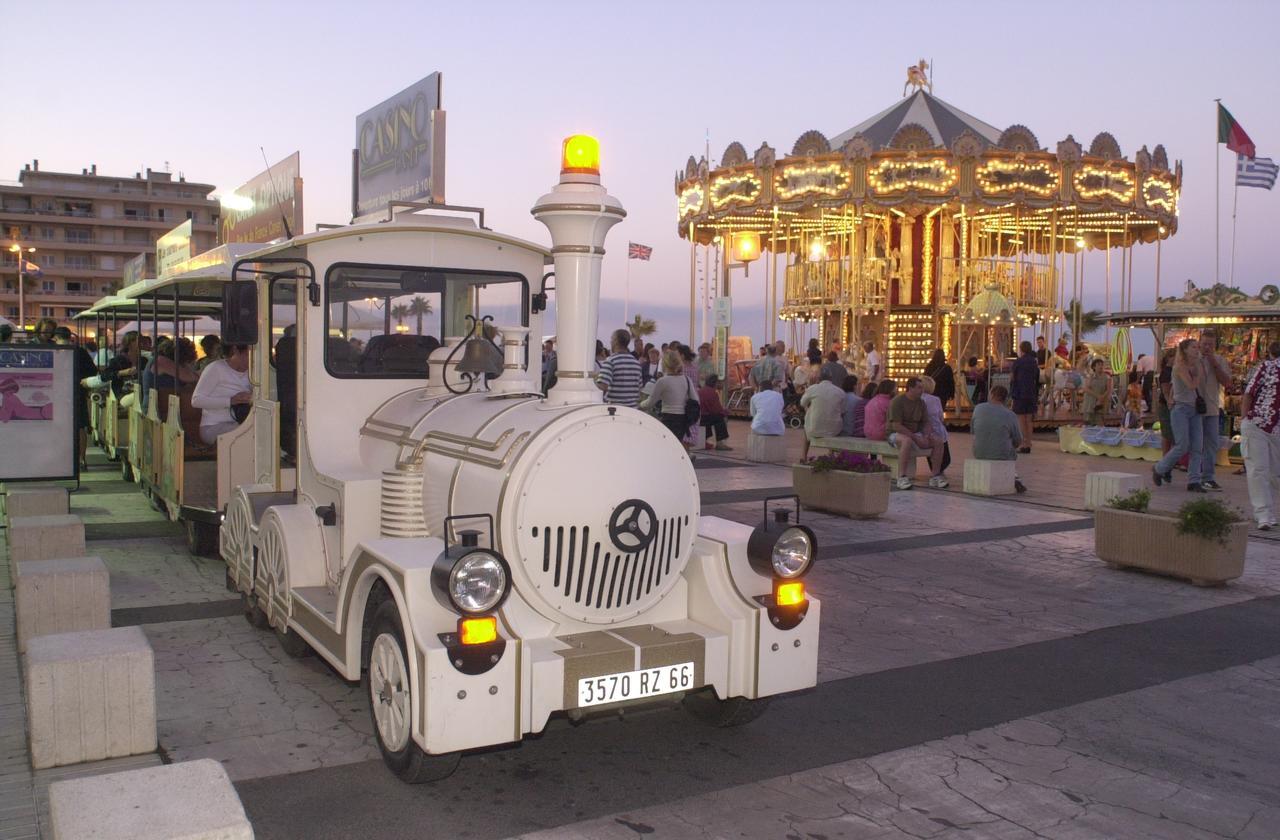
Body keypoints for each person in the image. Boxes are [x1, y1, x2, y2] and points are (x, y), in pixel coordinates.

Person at [1152, 338, 1205, 491]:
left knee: (1197, 446)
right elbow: (1191, 385)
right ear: (1185, 350)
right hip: (1181, 409)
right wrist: (1198, 374)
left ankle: (1194, 480)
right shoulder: (1180, 367)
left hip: (1194, 408)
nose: (1196, 350)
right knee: (1182, 445)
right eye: (1193, 347)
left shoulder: (1196, 365)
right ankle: (1160, 468)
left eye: (1197, 347)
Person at [1241, 341, 1280, 528]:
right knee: (1259, 470)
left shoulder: (1267, 366)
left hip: (1267, 425)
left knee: (1268, 473)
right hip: (1259, 423)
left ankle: (1266, 514)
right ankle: (1264, 515)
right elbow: (1249, 393)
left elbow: (1248, 393)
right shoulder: (1268, 367)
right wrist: (1244, 420)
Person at [50, 326, 98, 470]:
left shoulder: (53, 351)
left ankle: (61, 458)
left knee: (58, 425)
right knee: (80, 426)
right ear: (70, 337)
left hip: (57, 393)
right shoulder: (80, 351)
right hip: (77, 393)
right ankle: (82, 459)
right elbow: (93, 371)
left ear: (56, 338)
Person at [887, 377, 947, 490]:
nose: (922, 390)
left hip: (915, 432)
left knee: (938, 441)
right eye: (919, 388)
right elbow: (896, 426)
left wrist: (927, 435)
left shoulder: (921, 403)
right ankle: (902, 477)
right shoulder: (898, 401)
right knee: (907, 441)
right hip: (896, 433)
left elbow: (926, 422)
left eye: (922, 388)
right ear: (910, 388)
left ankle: (935, 475)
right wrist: (915, 437)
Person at [192, 343, 252, 445]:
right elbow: (196, 401)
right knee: (250, 434)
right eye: (247, 355)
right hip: (213, 426)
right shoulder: (216, 368)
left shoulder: (254, 373)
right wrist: (231, 401)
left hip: (242, 423)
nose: (251, 360)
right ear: (236, 350)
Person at [972, 384, 1027, 493]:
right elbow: (1018, 440)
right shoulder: (1010, 415)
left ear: (991, 394)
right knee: (1009, 446)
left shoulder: (978, 408)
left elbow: (973, 430)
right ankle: (1013, 476)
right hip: (1001, 454)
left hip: (979, 452)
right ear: (1005, 398)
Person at [1197, 329, 1233, 492]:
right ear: (1199, 344)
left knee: (1211, 443)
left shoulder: (1220, 360)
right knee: (1194, 443)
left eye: (1210, 345)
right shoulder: (1193, 359)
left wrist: (1214, 363)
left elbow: (1227, 382)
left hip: (1212, 408)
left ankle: (1208, 477)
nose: (1207, 347)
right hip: (1194, 408)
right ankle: (1193, 476)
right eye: (1204, 344)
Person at [641, 349, 696, 445]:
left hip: (667, 418)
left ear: (665, 364)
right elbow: (696, 399)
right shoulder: (687, 380)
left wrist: (640, 404)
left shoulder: (662, 381)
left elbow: (650, 402)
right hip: (682, 419)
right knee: (677, 444)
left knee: (666, 445)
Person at [141, 336, 198, 412]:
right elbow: (191, 377)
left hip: (163, 406)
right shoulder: (160, 361)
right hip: (156, 410)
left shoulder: (159, 360)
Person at [799, 366, 845, 460]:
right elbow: (843, 411)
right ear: (831, 379)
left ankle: (803, 456)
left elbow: (802, 403)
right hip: (834, 431)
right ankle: (831, 454)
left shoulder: (813, 388)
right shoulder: (840, 392)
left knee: (808, 419)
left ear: (818, 379)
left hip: (814, 429)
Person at [596, 328, 643, 408]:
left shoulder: (611, 361)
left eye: (611, 339)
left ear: (616, 341)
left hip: (615, 411)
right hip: (633, 410)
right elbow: (640, 387)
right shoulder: (636, 363)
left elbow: (602, 387)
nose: (610, 342)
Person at [1009, 340, 1039, 452]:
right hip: (1031, 392)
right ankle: (1029, 443)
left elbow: (1012, 377)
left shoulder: (1018, 362)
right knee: (1029, 419)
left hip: (1020, 392)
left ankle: (1023, 443)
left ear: (1021, 349)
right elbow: (1036, 376)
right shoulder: (1034, 362)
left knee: (1021, 418)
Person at [920, 375, 951, 478]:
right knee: (944, 454)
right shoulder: (935, 399)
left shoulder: (917, 399)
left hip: (922, 431)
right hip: (936, 430)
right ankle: (938, 470)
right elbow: (940, 417)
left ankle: (934, 467)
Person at [698, 374, 731, 451]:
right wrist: (725, 412)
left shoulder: (701, 390)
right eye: (718, 382)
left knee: (715, 416)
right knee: (719, 418)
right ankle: (720, 443)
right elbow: (716, 410)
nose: (720, 384)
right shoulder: (712, 393)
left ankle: (705, 441)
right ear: (715, 383)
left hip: (700, 416)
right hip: (705, 417)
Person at [1156, 348, 1177, 457]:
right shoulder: (1166, 371)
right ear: (1169, 358)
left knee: (1172, 432)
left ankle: (1171, 457)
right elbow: (1165, 389)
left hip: (1171, 404)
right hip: (1166, 405)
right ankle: (1166, 456)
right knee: (1167, 432)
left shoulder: (1175, 370)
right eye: (1174, 356)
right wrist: (1169, 401)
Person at [1081, 358, 1111, 427]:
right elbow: (1086, 388)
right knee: (1088, 423)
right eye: (1099, 365)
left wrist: (1101, 397)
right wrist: (1097, 396)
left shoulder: (1107, 377)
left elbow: (1108, 389)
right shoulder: (1090, 376)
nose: (1101, 366)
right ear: (1094, 367)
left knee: (1100, 422)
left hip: (1100, 403)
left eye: (1102, 365)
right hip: (1090, 402)